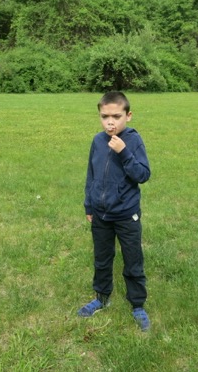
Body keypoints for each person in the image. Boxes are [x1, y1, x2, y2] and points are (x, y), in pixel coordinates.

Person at [78, 91, 151, 332]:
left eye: (116, 116)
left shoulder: (133, 141)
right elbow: (91, 174)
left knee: (132, 259)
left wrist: (124, 151)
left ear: (128, 116)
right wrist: (89, 205)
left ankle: (137, 304)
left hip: (126, 214)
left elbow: (143, 175)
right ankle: (101, 297)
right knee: (102, 258)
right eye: (105, 116)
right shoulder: (97, 141)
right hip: (100, 214)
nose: (110, 122)